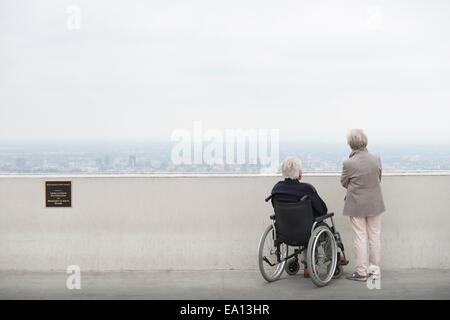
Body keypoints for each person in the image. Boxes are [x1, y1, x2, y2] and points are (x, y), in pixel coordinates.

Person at [271, 156, 328, 277]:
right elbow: (323, 210)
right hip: (306, 231)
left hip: (284, 232)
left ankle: (308, 264)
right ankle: (316, 264)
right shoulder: (306, 189)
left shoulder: (277, 189)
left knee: (306, 225)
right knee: (321, 226)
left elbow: (275, 210)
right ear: (299, 173)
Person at [341, 129, 385, 281]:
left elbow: (344, 182)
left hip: (356, 204)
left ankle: (361, 272)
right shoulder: (376, 158)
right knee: (374, 236)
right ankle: (373, 271)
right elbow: (378, 177)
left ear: (350, 144)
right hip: (375, 203)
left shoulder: (348, 163)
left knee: (360, 237)